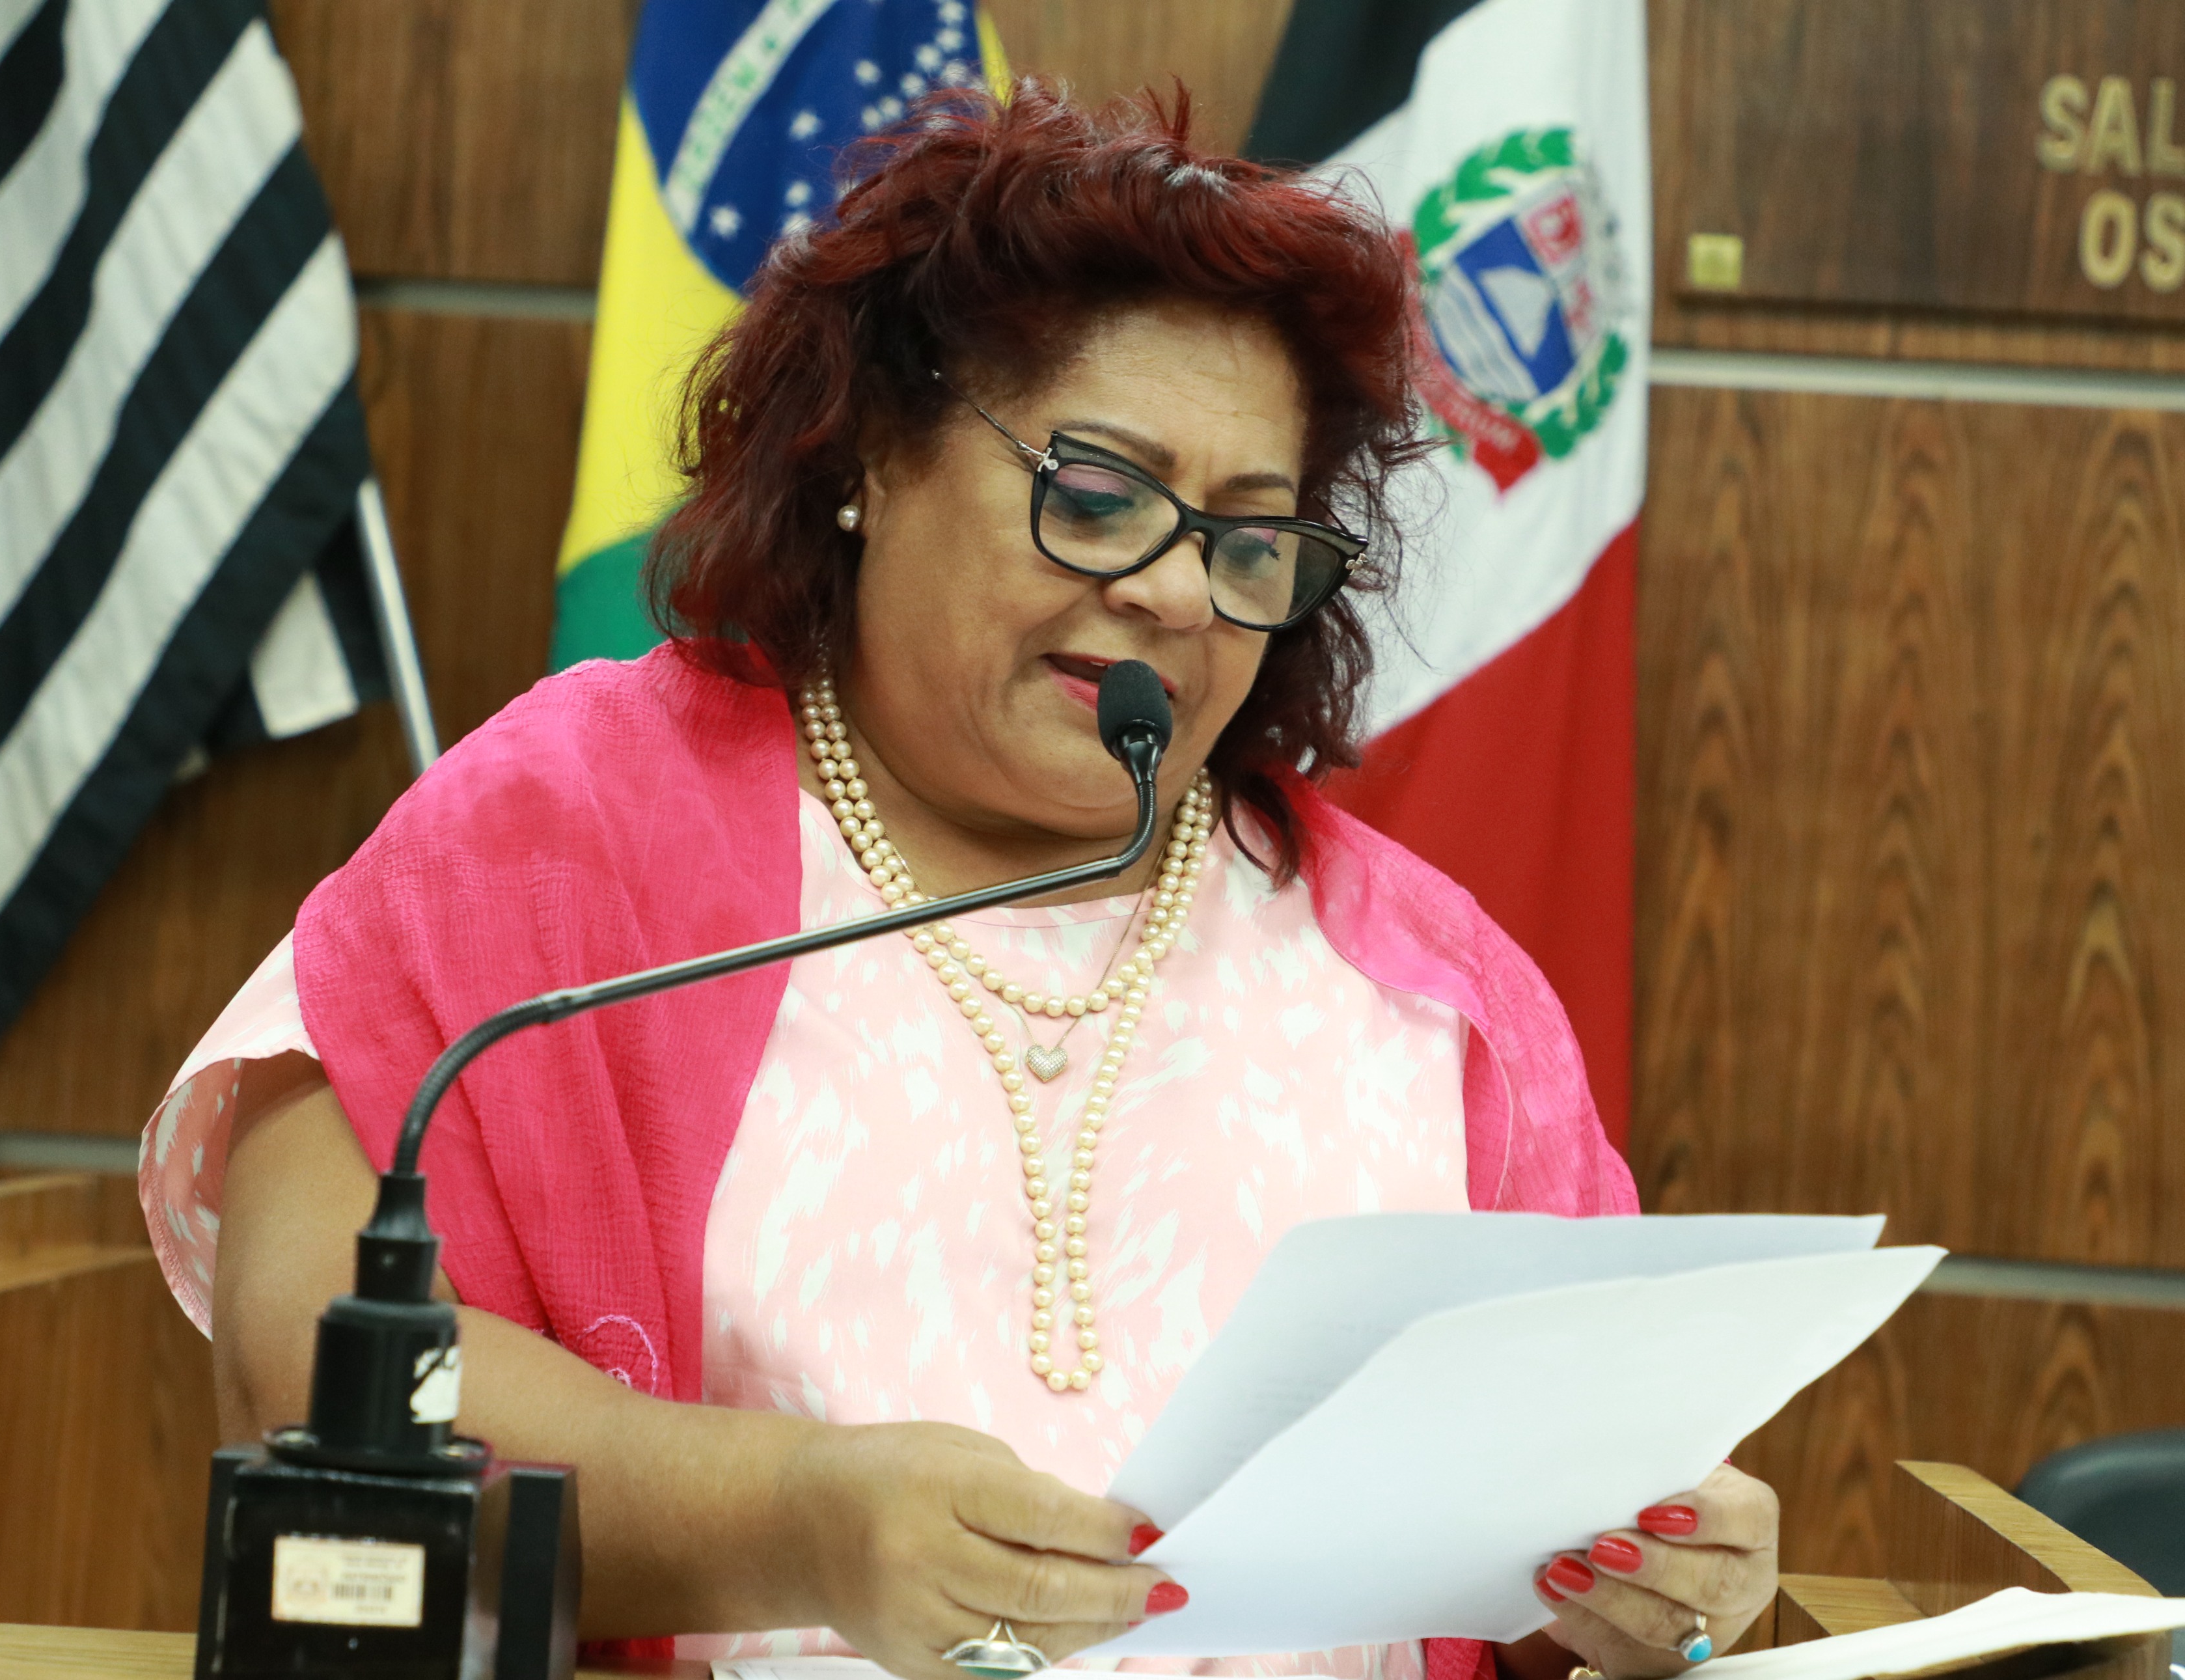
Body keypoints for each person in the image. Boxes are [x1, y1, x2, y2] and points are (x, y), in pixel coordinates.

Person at [141, 84, 1779, 1680]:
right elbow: (309, 1373)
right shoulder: (556, 841)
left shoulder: (1431, 992)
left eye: (1246, 541)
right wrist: (795, 1518)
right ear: (872, 452)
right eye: (1099, 497)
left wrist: (1645, 1587)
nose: (1173, 596)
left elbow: (1558, 1532)